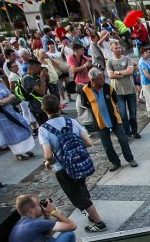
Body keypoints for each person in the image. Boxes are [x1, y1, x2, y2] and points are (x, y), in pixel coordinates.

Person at [39, 94, 106, 233]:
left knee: (79, 197)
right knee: (82, 190)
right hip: (79, 164)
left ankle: (99, 223)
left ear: (43, 109)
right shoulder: (71, 122)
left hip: (63, 169)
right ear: (59, 106)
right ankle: (92, 216)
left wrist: (47, 162)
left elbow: (47, 155)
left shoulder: (44, 129)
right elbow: (89, 142)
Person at [78, 68, 138, 171]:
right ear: (92, 80)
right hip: (100, 122)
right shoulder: (85, 90)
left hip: (114, 118)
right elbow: (84, 104)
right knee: (107, 145)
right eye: (99, 79)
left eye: (102, 78)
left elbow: (115, 99)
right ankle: (115, 162)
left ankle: (130, 159)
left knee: (123, 139)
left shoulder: (108, 87)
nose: (102, 81)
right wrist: (95, 110)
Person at [0, 65, 36, 160]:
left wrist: (6, 98)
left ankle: (25, 149)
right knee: (11, 133)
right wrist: (7, 99)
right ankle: (18, 153)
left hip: (11, 110)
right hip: (1, 115)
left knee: (21, 127)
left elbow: (10, 94)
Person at [8, 194, 77, 242]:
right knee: (69, 234)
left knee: (50, 239)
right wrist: (53, 212)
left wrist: (47, 216)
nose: (41, 207)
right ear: (31, 210)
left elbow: (48, 235)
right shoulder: (36, 224)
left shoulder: (18, 225)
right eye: (38, 205)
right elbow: (72, 226)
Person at [106, 42, 141, 139]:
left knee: (133, 113)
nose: (118, 49)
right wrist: (122, 74)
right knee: (123, 114)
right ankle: (127, 132)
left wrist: (118, 72)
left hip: (130, 90)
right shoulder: (110, 62)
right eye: (116, 48)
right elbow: (111, 75)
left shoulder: (127, 59)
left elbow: (130, 71)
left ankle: (135, 131)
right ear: (112, 50)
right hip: (118, 91)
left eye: (119, 47)